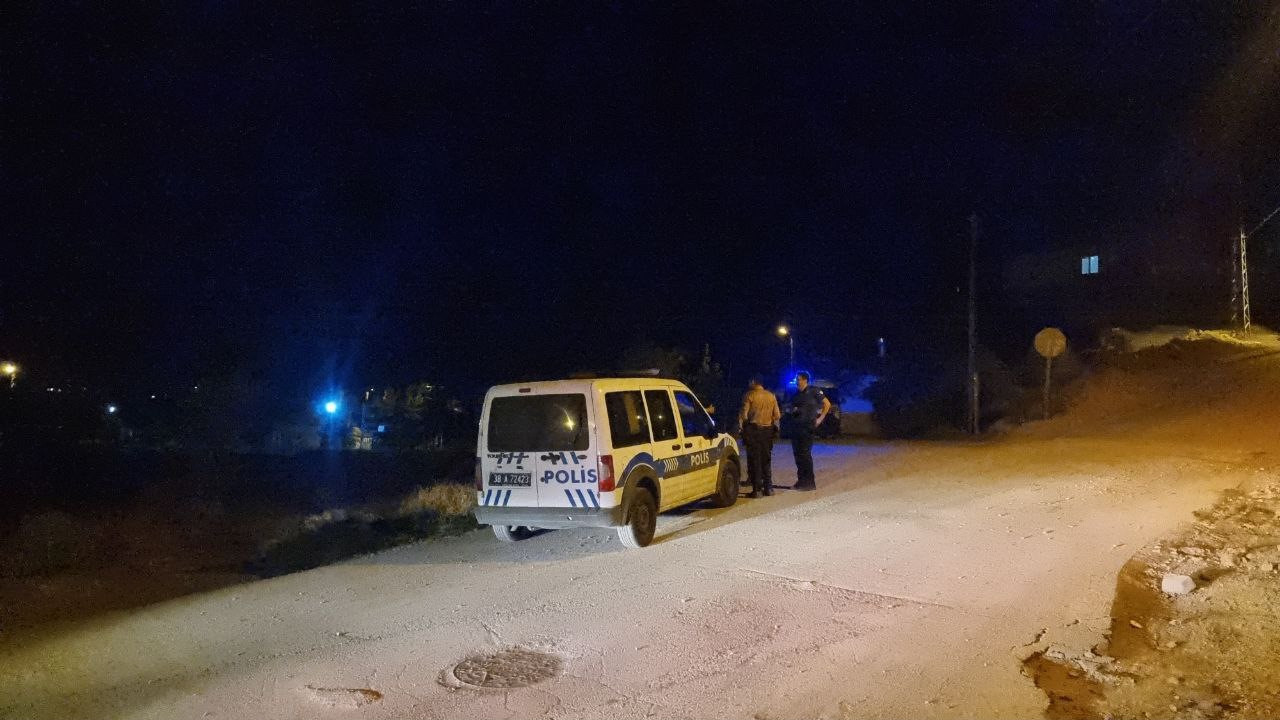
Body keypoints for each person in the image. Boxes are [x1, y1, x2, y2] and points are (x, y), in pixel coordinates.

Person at [737, 375, 781, 498]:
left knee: (755, 459)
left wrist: (744, 425)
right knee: (766, 459)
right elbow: (777, 415)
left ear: (753, 382)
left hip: (754, 430)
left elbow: (744, 415)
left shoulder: (750, 395)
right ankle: (769, 488)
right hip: (768, 431)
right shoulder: (771, 396)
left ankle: (757, 490)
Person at [790, 371, 831, 491]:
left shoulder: (814, 391)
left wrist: (820, 419)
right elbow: (793, 408)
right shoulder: (796, 394)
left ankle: (809, 483)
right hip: (797, 427)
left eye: (799, 379)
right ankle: (801, 481)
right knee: (797, 455)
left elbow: (827, 404)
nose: (797, 382)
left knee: (805, 454)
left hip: (808, 427)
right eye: (797, 379)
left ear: (805, 380)